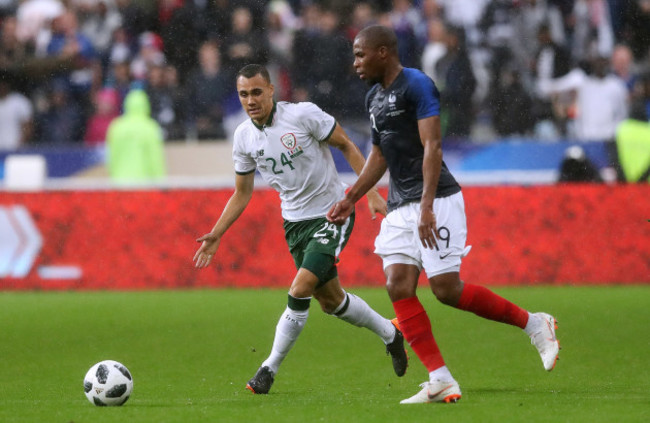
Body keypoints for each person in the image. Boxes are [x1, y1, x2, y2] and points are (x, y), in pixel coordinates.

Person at [327, 25, 560, 405]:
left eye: (360, 54)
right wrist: (352, 196)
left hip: (436, 200)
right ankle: (440, 378)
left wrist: (428, 206)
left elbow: (433, 145)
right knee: (397, 285)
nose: (355, 63)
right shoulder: (373, 98)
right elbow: (380, 156)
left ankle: (535, 323)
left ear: (383, 52)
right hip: (401, 204)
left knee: (446, 290)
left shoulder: (417, 85)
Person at [193, 64, 408, 395]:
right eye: (243, 94)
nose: (250, 100)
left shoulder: (303, 115)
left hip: (333, 212)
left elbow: (347, 145)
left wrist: (370, 194)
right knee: (331, 301)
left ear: (271, 91)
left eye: (256, 92)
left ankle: (268, 369)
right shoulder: (244, 137)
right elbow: (242, 192)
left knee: (300, 288)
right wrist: (217, 232)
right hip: (294, 224)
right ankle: (391, 334)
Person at [106, 89, 166, 181]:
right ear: (146, 105)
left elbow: (112, 156)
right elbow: (155, 157)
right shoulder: (150, 127)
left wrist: (113, 176)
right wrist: (161, 181)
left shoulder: (116, 127)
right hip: (144, 184)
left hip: (119, 183)